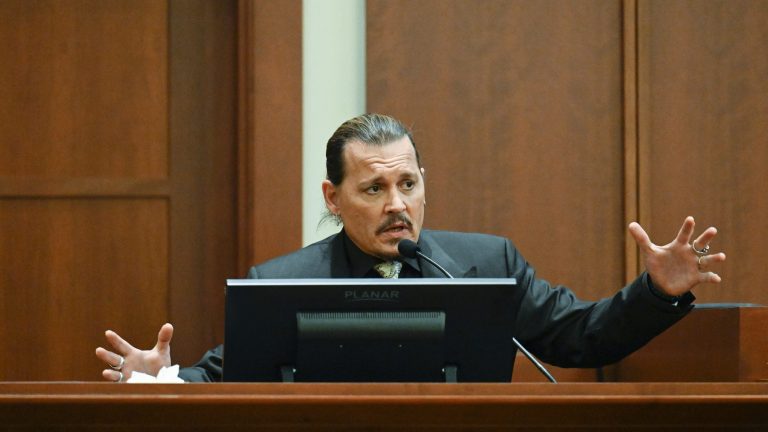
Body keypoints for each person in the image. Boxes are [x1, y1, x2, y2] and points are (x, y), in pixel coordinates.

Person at [96, 113, 726, 383]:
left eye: (408, 184)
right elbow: (228, 373)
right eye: (373, 187)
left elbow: (582, 337)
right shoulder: (283, 280)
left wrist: (656, 292)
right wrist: (164, 377)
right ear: (334, 197)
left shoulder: (486, 264)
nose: (397, 204)